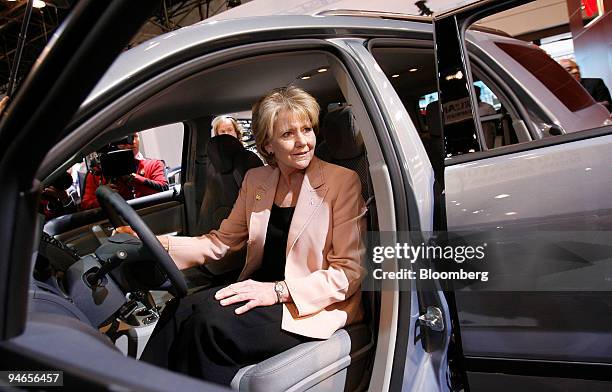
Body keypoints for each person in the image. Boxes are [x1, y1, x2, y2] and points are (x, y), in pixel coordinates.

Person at [135, 86, 367, 386]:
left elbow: (348, 272)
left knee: (209, 327)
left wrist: (278, 291)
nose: (303, 142)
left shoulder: (342, 182)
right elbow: (221, 242)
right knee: (179, 309)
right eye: (288, 134)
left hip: (310, 302)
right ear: (267, 145)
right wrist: (153, 245)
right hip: (261, 289)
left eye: (307, 129)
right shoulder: (257, 179)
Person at [80, 133, 169, 210]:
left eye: (135, 136)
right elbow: (85, 206)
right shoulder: (97, 173)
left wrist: (136, 179)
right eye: (124, 138)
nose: (132, 142)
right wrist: (104, 196)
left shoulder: (154, 164)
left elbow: (164, 190)